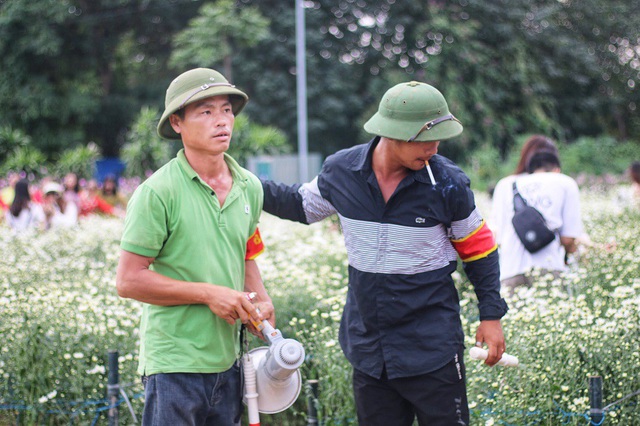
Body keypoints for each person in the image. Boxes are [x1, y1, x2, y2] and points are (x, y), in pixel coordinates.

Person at [261, 81, 508, 426]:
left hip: (432, 349)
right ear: (395, 134)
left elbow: (480, 251)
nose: (434, 150)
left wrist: (491, 315)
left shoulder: (448, 184)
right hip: (369, 351)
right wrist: (239, 181)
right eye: (427, 140)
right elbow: (298, 204)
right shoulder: (342, 171)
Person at [116, 67, 274, 426]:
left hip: (230, 362)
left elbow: (246, 254)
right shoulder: (157, 193)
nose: (222, 121)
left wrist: (261, 301)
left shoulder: (249, 186)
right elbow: (128, 281)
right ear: (177, 123)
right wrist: (208, 294)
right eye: (206, 112)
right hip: (174, 366)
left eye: (227, 110)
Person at [491, 150, 583, 295]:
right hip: (549, 267)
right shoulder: (565, 183)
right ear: (557, 169)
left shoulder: (506, 184)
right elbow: (568, 239)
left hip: (511, 269)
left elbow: (497, 237)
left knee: (515, 317)